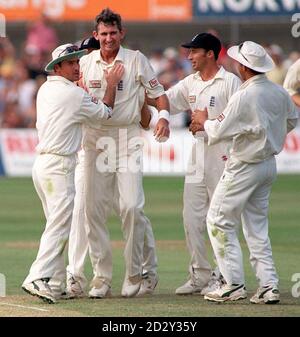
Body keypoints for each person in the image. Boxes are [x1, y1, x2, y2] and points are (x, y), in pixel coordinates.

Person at [192, 41, 298, 303]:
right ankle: (269, 286)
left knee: (217, 219)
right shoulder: (279, 92)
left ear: (243, 67)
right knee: (256, 226)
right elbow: (292, 120)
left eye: (238, 62)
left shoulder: (244, 95)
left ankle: (232, 284)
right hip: (268, 165)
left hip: (244, 165)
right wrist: (267, 134)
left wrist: (203, 119)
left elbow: (216, 131)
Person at [21, 43, 124, 304]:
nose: (77, 66)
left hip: (42, 166)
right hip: (59, 167)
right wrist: (111, 84)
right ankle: (37, 276)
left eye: (78, 61)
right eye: (70, 63)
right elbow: (105, 113)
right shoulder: (73, 95)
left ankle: (55, 283)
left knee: (57, 224)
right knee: (59, 225)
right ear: (57, 68)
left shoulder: (46, 88)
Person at [80, 8, 170, 299]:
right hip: (95, 139)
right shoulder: (85, 62)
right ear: (96, 35)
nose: (108, 38)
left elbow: (159, 94)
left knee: (131, 206)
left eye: (113, 33)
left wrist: (164, 117)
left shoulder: (136, 60)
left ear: (122, 33)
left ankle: (134, 273)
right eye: (103, 34)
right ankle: (101, 277)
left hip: (127, 136)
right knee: (93, 210)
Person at [147, 33, 241, 295]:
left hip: (223, 152)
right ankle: (200, 274)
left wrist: (209, 122)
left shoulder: (230, 83)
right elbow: (162, 98)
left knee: (220, 217)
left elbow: (239, 119)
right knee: (191, 216)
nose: (189, 57)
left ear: (210, 53)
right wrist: (157, 110)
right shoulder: (191, 82)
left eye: (194, 52)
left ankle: (224, 276)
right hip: (198, 152)